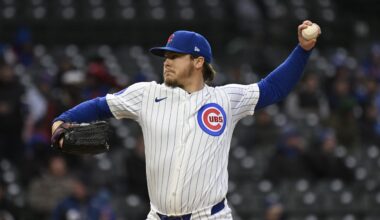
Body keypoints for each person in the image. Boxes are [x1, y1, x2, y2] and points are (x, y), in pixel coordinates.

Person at [51, 20, 320, 219]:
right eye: (165, 56)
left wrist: (303, 50)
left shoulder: (225, 100)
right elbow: (100, 106)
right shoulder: (146, 95)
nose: (166, 62)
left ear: (198, 61)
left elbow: (273, 88)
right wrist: (63, 119)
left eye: (174, 56)